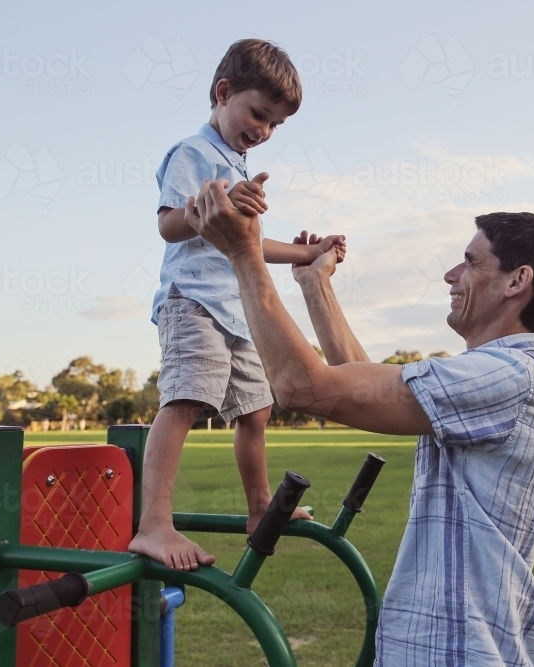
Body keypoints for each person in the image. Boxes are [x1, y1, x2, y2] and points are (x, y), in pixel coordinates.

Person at [187, 179, 534, 666]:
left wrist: (243, 254)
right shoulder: (503, 375)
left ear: (516, 281)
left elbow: (304, 388)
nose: (451, 274)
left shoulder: (506, 377)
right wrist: (316, 284)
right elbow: (360, 386)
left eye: (471, 261)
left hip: (456, 652)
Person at [128, 39, 345, 570]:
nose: (264, 130)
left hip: (237, 308)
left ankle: (258, 509)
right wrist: (216, 203)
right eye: (258, 113)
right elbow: (168, 226)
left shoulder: (238, 164)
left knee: (257, 410)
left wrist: (308, 251)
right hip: (194, 303)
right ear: (223, 93)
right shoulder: (194, 154)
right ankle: (154, 525)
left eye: (275, 124)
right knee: (186, 401)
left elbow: (250, 245)